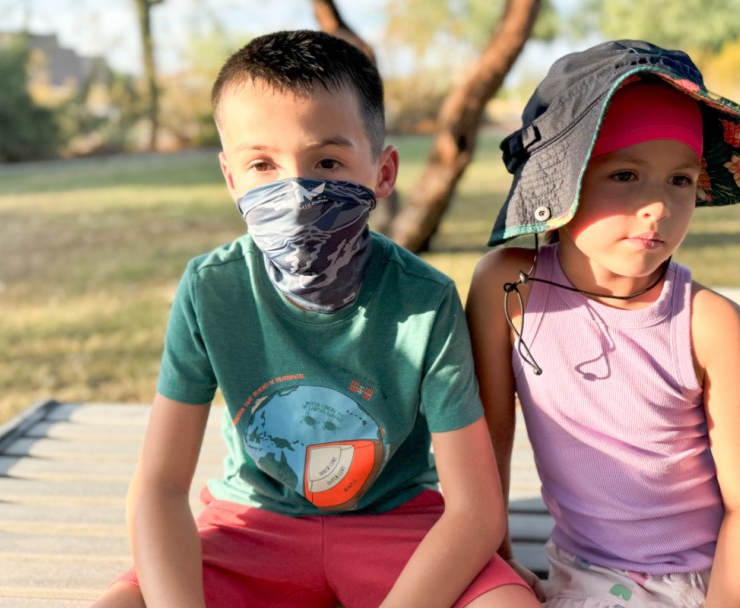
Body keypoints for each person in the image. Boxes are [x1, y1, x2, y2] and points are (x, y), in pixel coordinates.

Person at [91, 30, 539, 608]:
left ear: (383, 172)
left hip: (399, 527)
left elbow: (474, 510)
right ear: (232, 178)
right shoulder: (212, 289)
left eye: (327, 160)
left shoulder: (426, 301)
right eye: (262, 164)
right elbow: (159, 486)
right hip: (249, 528)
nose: (296, 191)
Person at [466, 39, 740, 607]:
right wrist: (500, 563)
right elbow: (487, 441)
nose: (659, 207)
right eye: (625, 175)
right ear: (560, 184)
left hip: (714, 582)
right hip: (588, 574)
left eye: (680, 181)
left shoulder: (710, 325)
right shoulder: (507, 288)